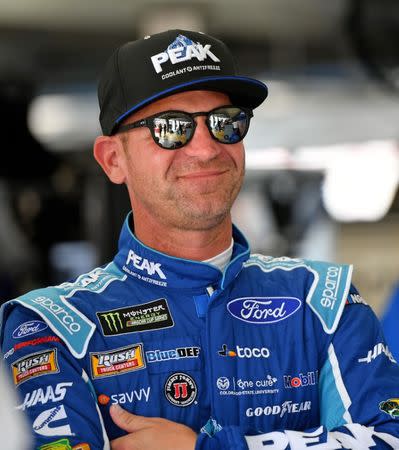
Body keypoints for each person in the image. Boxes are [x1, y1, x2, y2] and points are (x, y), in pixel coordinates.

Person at [1, 29, 399, 450]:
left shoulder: (324, 299)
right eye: (171, 128)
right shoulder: (53, 326)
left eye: (226, 123)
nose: (207, 149)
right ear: (113, 160)